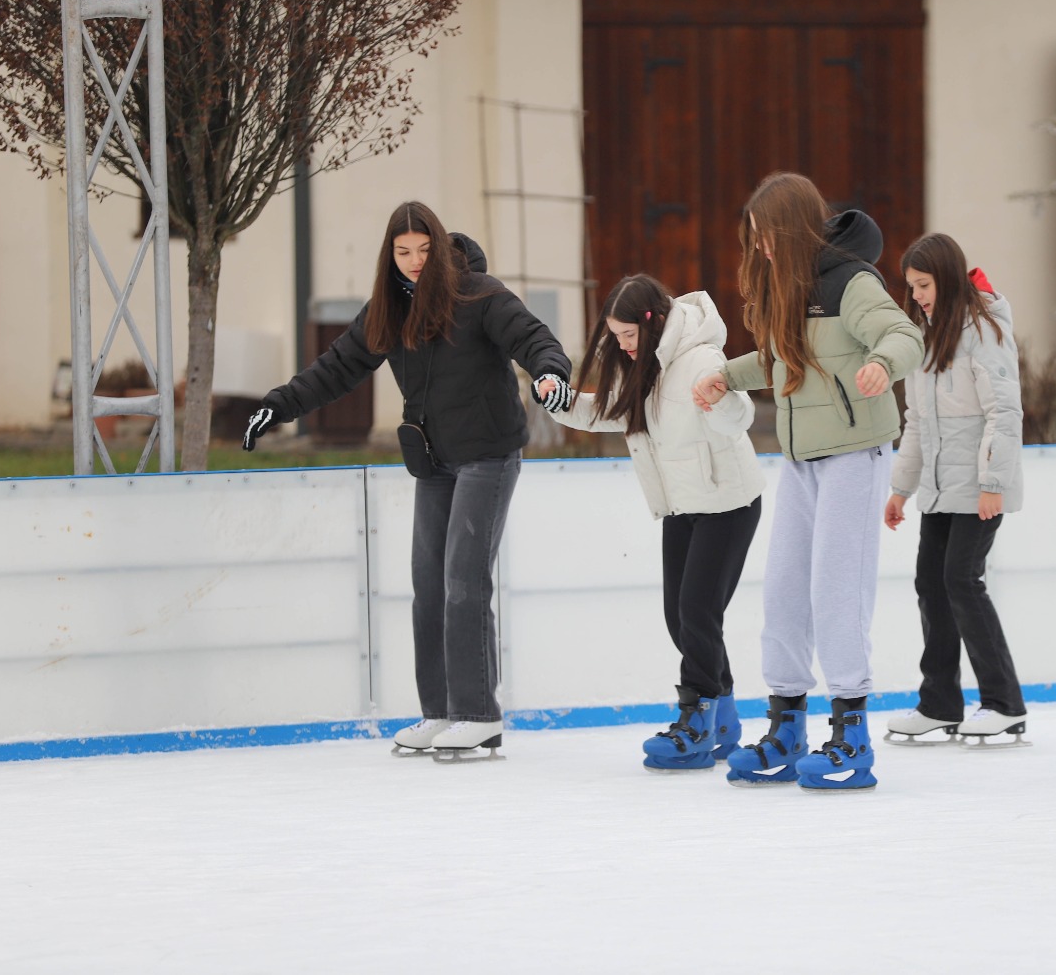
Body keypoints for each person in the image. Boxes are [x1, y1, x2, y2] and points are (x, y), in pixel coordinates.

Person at [242, 202, 572, 762]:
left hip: (488, 456)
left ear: (440, 248)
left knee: (464, 581)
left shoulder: (480, 295)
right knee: (428, 586)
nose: (415, 262)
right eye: (403, 252)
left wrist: (550, 373)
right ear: (389, 255)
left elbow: (533, 337)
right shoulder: (390, 310)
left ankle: (477, 716)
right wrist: (279, 407)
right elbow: (337, 367)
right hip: (435, 462)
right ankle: (441, 711)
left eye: (424, 250)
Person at [692, 171, 923, 792]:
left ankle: (851, 735)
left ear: (792, 228)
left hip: (854, 454)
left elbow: (904, 334)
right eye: (755, 238)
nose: (761, 247)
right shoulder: (786, 286)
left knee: (835, 590)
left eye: (768, 235)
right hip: (801, 459)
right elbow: (779, 359)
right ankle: (786, 726)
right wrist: (727, 376)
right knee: (785, 592)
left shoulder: (851, 280)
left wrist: (880, 362)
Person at [549, 275, 765, 773]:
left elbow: (742, 415)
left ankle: (697, 720)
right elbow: (611, 411)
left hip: (727, 503)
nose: (623, 347)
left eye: (628, 336)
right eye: (617, 338)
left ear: (654, 321)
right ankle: (724, 720)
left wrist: (722, 401)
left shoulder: (701, 359)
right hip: (682, 506)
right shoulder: (644, 368)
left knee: (697, 611)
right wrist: (560, 400)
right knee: (682, 616)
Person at [882, 233, 1028, 748]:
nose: (918, 294)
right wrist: (901, 488)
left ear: (944, 277)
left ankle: (1004, 704)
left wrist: (993, 483)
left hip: (980, 486)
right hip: (940, 489)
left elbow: (1004, 412)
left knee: (962, 581)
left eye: (923, 284)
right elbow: (917, 421)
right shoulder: (927, 336)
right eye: (913, 286)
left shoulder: (984, 329)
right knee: (931, 583)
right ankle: (939, 703)